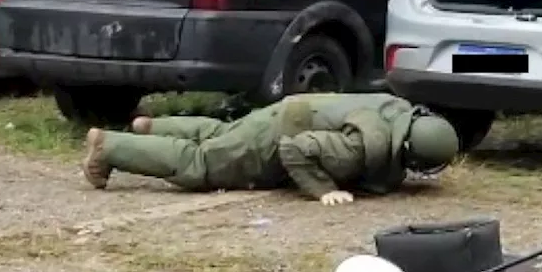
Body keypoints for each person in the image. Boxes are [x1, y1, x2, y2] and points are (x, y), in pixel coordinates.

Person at [80, 93, 462, 206]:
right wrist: (324, 190)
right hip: (281, 133)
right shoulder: (362, 146)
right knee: (203, 166)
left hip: (289, 112)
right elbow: (295, 150)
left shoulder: (394, 110)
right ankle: (110, 147)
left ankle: (153, 128)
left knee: (226, 136)